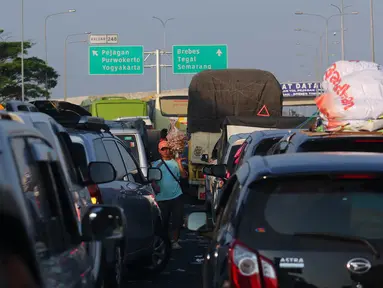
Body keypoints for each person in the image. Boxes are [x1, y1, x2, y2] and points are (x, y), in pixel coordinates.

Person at [151, 140, 187, 249]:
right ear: (159, 151)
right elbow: (151, 179)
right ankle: (165, 242)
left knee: (177, 220)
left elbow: (184, 176)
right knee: (164, 222)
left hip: (176, 196)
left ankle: (174, 241)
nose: (166, 151)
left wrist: (179, 163)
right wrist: (154, 185)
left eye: (167, 148)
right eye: (163, 149)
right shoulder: (155, 164)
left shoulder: (175, 162)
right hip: (162, 197)